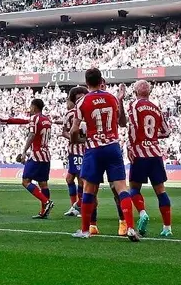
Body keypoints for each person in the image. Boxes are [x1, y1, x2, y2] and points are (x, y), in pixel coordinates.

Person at [70, 68, 140, 242]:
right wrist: (121, 100)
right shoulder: (112, 98)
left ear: (86, 83)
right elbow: (122, 123)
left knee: (89, 190)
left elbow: (74, 130)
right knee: (121, 188)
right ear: (101, 80)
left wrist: (78, 141)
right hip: (113, 147)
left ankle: (86, 230)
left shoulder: (82, 102)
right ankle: (130, 227)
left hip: (93, 149)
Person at [127, 80, 173, 237]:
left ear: (135, 91)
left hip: (140, 153)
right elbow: (166, 132)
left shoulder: (134, 105)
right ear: (149, 92)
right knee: (161, 191)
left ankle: (142, 213)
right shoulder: (156, 108)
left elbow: (133, 127)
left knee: (133, 188)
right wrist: (153, 136)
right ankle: (167, 227)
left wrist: (131, 147)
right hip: (155, 154)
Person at [17, 98, 54, 219]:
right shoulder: (47, 120)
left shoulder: (34, 118)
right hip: (46, 155)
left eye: (30, 106)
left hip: (36, 155)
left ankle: (46, 202)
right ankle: (44, 212)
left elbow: (32, 134)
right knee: (43, 184)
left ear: (34, 107)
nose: (30, 109)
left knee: (25, 181)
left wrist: (24, 152)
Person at [61, 87, 87, 217]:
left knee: (80, 179)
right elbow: (64, 131)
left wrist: (81, 140)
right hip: (73, 151)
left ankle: (81, 207)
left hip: (81, 152)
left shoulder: (81, 112)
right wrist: (75, 139)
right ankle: (75, 206)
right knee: (69, 179)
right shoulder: (69, 114)